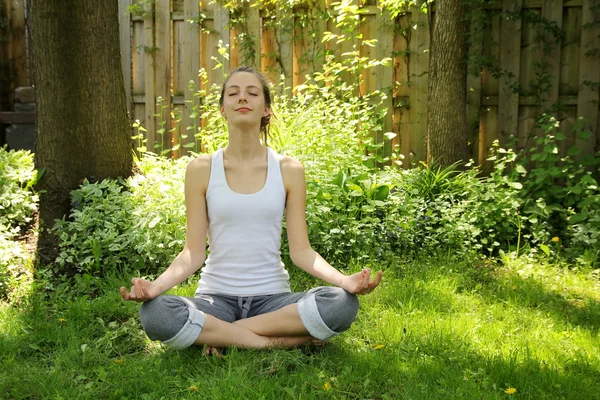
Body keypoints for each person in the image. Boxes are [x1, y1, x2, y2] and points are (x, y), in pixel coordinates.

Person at [120, 66, 382, 351]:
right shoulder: (202, 169)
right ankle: (279, 342)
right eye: (233, 93)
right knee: (154, 314)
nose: (242, 98)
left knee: (343, 304)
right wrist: (154, 288)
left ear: (266, 109)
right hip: (215, 300)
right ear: (222, 109)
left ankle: (222, 336)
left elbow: (302, 252)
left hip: (272, 302)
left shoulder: (289, 170)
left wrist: (345, 281)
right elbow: (192, 253)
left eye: (252, 93)